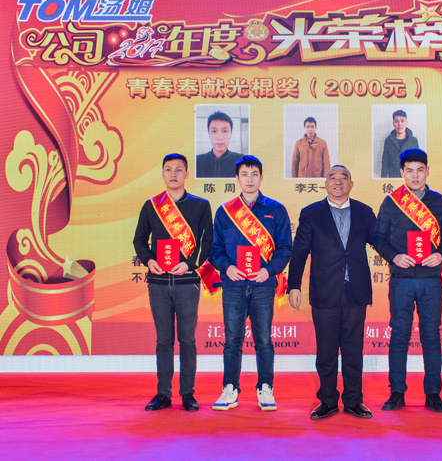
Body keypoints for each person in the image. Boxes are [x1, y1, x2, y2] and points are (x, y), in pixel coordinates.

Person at [288, 165, 377, 420]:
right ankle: (327, 400)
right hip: (324, 290)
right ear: (326, 184)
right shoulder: (311, 213)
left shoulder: (364, 212)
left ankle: (354, 400)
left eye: (343, 178)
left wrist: (401, 254)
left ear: (351, 184)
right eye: (332, 178)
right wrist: (294, 286)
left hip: (355, 291)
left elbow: (381, 241)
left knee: (353, 350)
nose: (338, 182)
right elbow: (299, 252)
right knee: (326, 351)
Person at [373, 149, 442, 413]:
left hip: (431, 280)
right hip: (402, 280)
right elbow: (378, 238)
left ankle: (433, 394)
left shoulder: (440, 202)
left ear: (427, 171)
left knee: (431, 335)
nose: (415, 175)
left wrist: (440, 255)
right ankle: (397, 392)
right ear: (402, 173)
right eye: (409, 170)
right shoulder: (391, 203)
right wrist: (394, 256)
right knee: (399, 335)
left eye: (420, 169)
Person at [208, 155, 292, 411]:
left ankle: (265, 388)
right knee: (232, 340)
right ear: (237, 178)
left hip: (263, 286)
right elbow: (215, 249)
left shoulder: (276, 210)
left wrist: (269, 271)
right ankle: (230, 388)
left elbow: (285, 248)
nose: (250, 179)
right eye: (244, 174)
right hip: (233, 286)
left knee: (263, 339)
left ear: (261, 177)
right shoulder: (225, 212)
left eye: (254, 174)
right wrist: (227, 267)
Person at [133, 153, 213, 412]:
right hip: (158, 283)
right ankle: (163, 394)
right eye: (168, 169)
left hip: (187, 283)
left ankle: (188, 394)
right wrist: (149, 260)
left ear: (187, 174)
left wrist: (189, 264)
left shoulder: (201, 206)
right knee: (163, 340)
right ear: (162, 174)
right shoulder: (151, 206)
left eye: (179, 169)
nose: (173, 174)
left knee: (187, 340)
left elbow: (207, 242)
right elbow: (139, 240)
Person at [196, 111, 245, 178]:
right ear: (209, 134)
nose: (219, 137)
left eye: (225, 131)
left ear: (231, 134)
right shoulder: (197, 161)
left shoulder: (242, 161)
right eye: (214, 131)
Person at [381, 110, 420, 178]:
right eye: (397, 121)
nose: (400, 124)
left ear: (406, 123)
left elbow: (417, 162)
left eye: (402, 121)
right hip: (393, 178)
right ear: (393, 123)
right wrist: (383, 179)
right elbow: (385, 163)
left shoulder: (413, 141)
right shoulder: (388, 141)